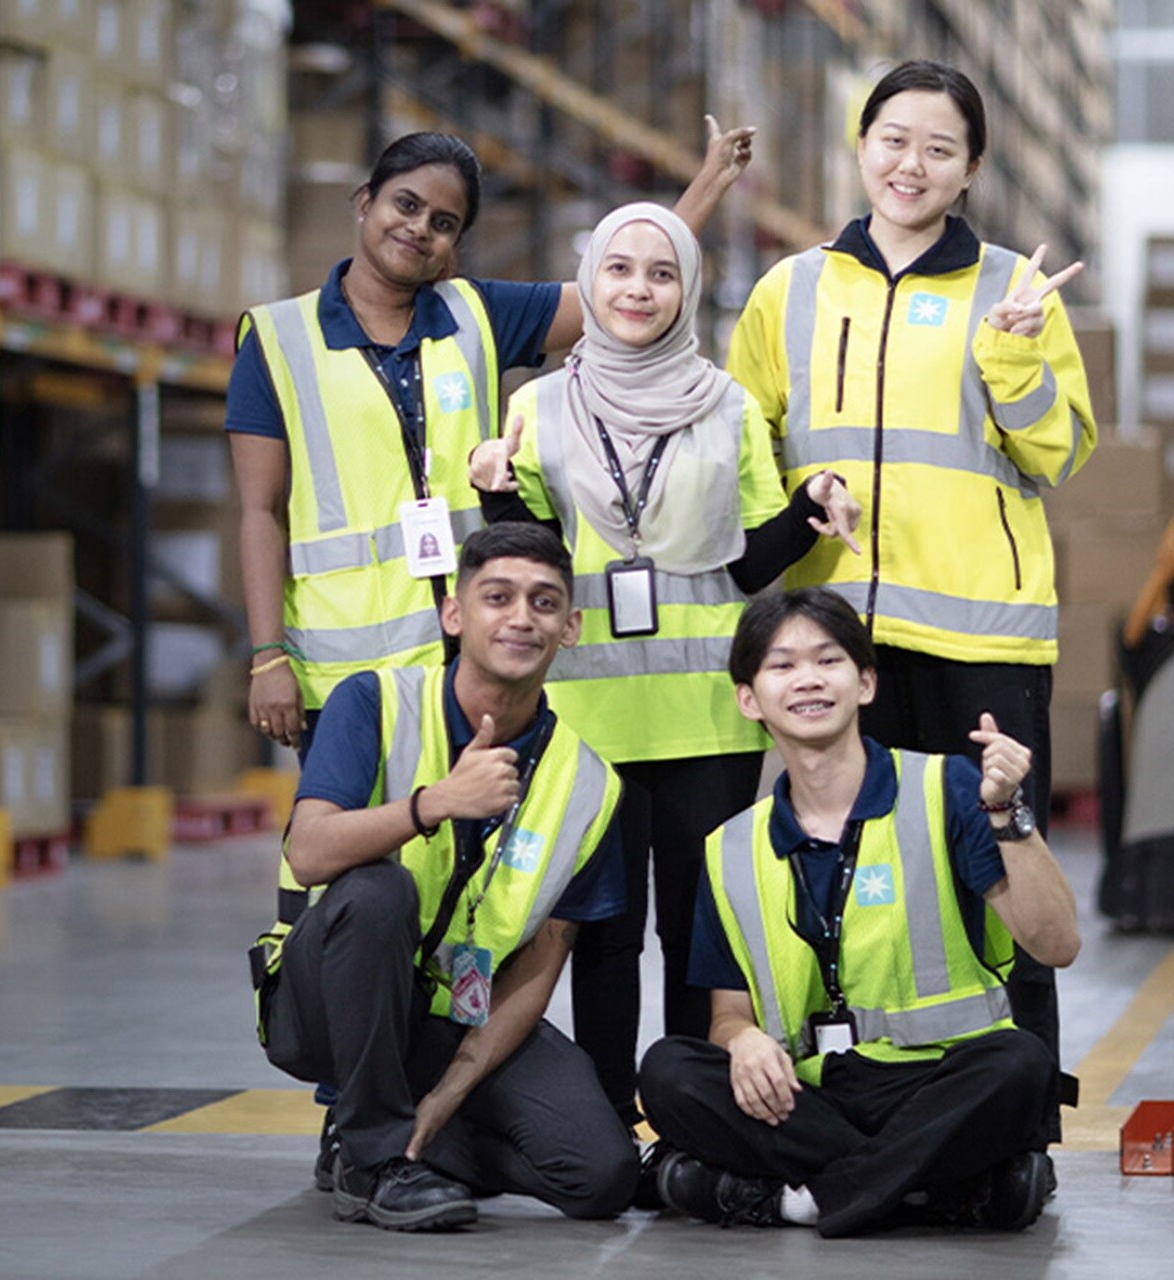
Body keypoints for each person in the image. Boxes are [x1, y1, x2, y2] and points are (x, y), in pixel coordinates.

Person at [724, 59, 1095, 1126]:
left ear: (970, 169)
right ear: (860, 146)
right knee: (851, 868)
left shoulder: (1012, 292)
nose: (911, 165)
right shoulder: (790, 291)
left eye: (939, 148)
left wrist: (1014, 360)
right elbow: (743, 448)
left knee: (999, 867)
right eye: (893, 139)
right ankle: (868, 1102)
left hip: (980, 641)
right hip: (838, 641)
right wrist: (800, 499)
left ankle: (1018, 1119)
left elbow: (1060, 453)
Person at [469, 202, 861, 1134]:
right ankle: (610, 1119)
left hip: (708, 721)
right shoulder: (537, 408)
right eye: (619, 269)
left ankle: (690, 1124)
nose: (638, 290)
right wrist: (494, 493)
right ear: (590, 280)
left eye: (662, 272)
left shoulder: (726, 405)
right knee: (601, 931)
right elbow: (532, 564)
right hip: (587, 720)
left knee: (696, 933)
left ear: (687, 288)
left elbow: (750, 564)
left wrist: (810, 500)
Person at [227, 122, 755, 756]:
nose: (419, 228)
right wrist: (267, 656)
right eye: (406, 204)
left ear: (454, 243)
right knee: (353, 821)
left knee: (476, 816)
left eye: (444, 223)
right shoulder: (278, 340)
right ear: (365, 201)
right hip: (343, 672)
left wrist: (708, 184)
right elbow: (260, 511)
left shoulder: (476, 315)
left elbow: (618, 289)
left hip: (478, 660)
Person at [637, 586, 1081, 1237]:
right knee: (669, 1071)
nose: (808, 679)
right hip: (808, 1094)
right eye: (783, 665)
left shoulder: (946, 788)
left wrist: (1007, 814)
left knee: (1022, 1065)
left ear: (865, 683)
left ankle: (800, 1200)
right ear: (748, 699)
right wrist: (743, 1040)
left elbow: (1058, 945)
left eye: (829, 660)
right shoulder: (730, 849)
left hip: (936, 1081)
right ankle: (934, 1189)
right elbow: (728, 1014)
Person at [248, 523, 636, 1232]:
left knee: (600, 1174)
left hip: (448, 1017)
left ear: (571, 627)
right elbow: (309, 852)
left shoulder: (589, 786)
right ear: (454, 614)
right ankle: (373, 1163)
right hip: (320, 1006)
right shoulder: (374, 702)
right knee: (378, 891)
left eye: (545, 602)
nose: (522, 617)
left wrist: (450, 1093)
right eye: (498, 597)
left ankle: (395, 1135)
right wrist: (434, 804)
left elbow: (538, 971)